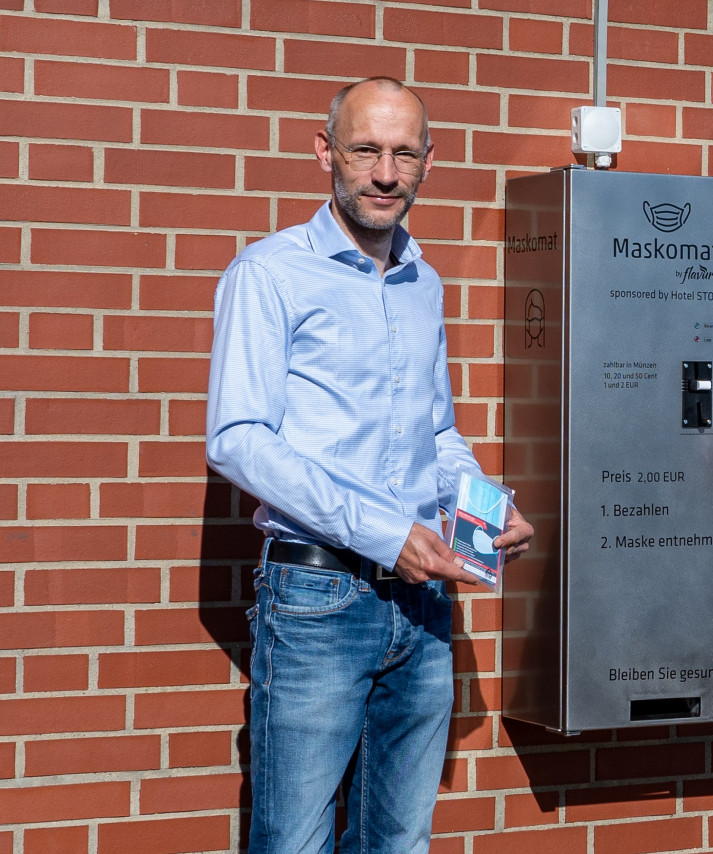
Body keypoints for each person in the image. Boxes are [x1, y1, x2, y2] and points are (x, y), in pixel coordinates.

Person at [206, 77, 533, 854]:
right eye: (365, 151)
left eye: (404, 154)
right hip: (318, 597)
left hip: (422, 606)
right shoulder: (270, 273)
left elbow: (435, 432)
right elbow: (238, 438)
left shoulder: (424, 282)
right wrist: (387, 534)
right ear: (326, 152)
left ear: (429, 161)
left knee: (399, 841)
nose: (385, 174)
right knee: (295, 841)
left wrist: (485, 506)